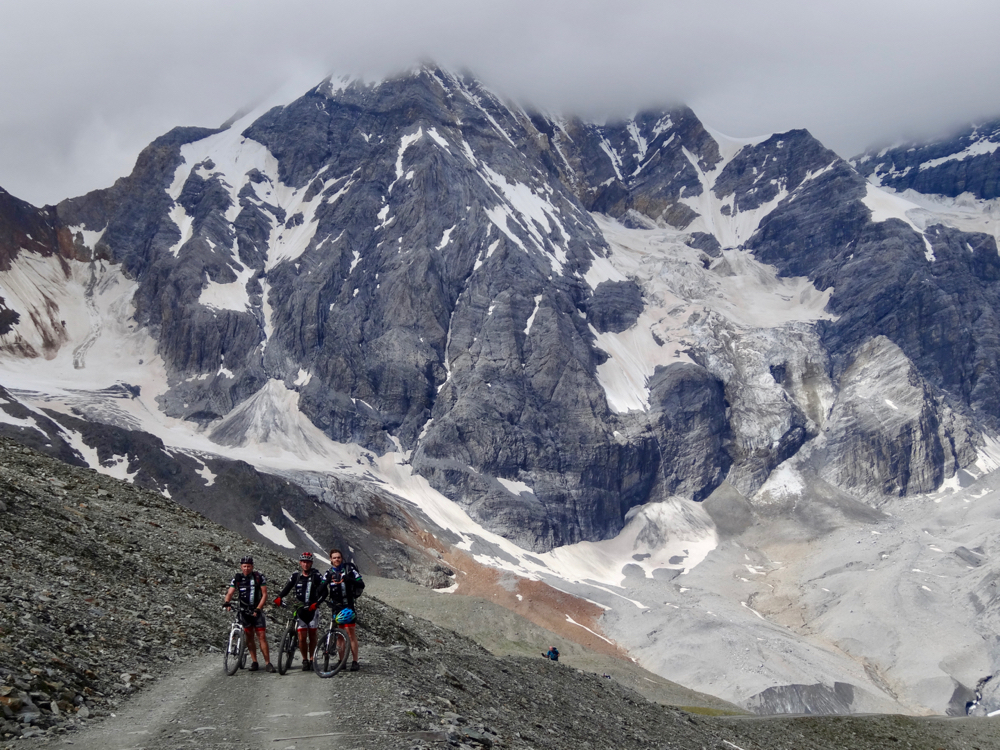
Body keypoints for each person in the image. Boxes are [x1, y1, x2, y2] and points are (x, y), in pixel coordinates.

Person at [273, 551, 327, 670]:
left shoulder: (316, 576)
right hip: (300, 610)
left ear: (311, 563)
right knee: (302, 637)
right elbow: (287, 588)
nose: (305, 564)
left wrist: (316, 604)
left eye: (308, 562)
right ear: (300, 563)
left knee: (312, 635)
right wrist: (279, 597)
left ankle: (312, 658)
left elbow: (325, 592)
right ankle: (305, 660)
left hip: (312, 610)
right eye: (303, 562)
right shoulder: (295, 576)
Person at [223, 555, 274, 672]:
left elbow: (264, 594)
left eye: (249, 566)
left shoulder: (258, 577)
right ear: (241, 567)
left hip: (257, 611)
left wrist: (258, 608)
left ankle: (268, 663)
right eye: (244, 566)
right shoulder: (237, 578)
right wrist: (227, 602)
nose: (246, 568)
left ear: (252, 566)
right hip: (244, 611)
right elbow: (230, 592)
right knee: (249, 637)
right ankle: (254, 662)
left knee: (261, 637)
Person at [322, 548, 365, 671]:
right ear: (331, 559)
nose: (337, 559)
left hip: (348, 606)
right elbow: (322, 586)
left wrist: (348, 579)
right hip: (336, 607)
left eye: (338, 557)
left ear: (342, 558)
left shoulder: (349, 570)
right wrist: (322, 586)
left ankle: (355, 662)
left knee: (351, 634)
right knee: (339, 636)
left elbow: (361, 584)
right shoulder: (328, 573)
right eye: (334, 557)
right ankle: (342, 662)